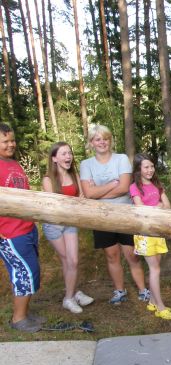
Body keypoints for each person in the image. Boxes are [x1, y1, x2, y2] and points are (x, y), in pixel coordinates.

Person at [80, 125, 149, 305]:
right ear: (91, 143)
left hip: (125, 214)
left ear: (110, 140)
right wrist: (112, 184)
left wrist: (98, 191)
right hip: (101, 217)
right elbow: (88, 194)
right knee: (112, 255)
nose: (102, 142)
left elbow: (125, 187)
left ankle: (143, 290)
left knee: (132, 255)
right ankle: (120, 291)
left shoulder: (121, 159)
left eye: (105, 138)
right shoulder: (86, 164)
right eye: (97, 139)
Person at [0, 123, 43, 332]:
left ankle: (24, 313)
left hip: (26, 228)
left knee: (30, 272)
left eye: (12, 140)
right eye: (5, 142)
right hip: (9, 232)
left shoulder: (13, 163)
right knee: (25, 273)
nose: (11, 145)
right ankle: (18, 320)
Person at [41, 142, 94, 313]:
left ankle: (71, 294)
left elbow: (81, 197)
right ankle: (70, 297)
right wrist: (76, 202)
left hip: (70, 223)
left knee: (72, 260)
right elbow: (55, 206)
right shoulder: (48, 180)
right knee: (68, 260)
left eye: (69, 153)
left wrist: (82, 198)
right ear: (54, 158)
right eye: (63, 154)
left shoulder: (75, 175)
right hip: (54, 225)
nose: (68, 157)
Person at [130, 154, 171, 320]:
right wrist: (158, 207)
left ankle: (151, 301)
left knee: (157, 266)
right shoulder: (135, 187)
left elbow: (168, 207)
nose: (150, 170)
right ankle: (160, 307)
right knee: (155, 269)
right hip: (144, 234)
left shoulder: (157, 185)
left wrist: (157, 207)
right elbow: (141, 209)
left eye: (151, 166)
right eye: (146, 167)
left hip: (157, 232)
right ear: (138, 170)